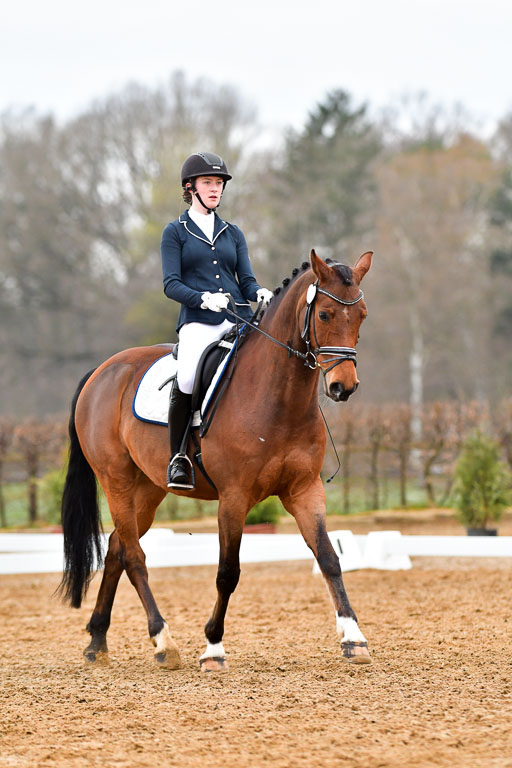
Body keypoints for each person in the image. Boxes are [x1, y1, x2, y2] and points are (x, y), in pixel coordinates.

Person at [161, 151, 273, 489]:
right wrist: (202, 298)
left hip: (235, 319)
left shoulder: (232, 233)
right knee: (188, 377)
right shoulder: (175, 232)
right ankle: (178, 457)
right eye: (208, 182)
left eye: (219, 183)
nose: (215, 189)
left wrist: (260, 293)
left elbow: (246, 280)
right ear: (190, 187)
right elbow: (171, 284)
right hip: (197, 321)